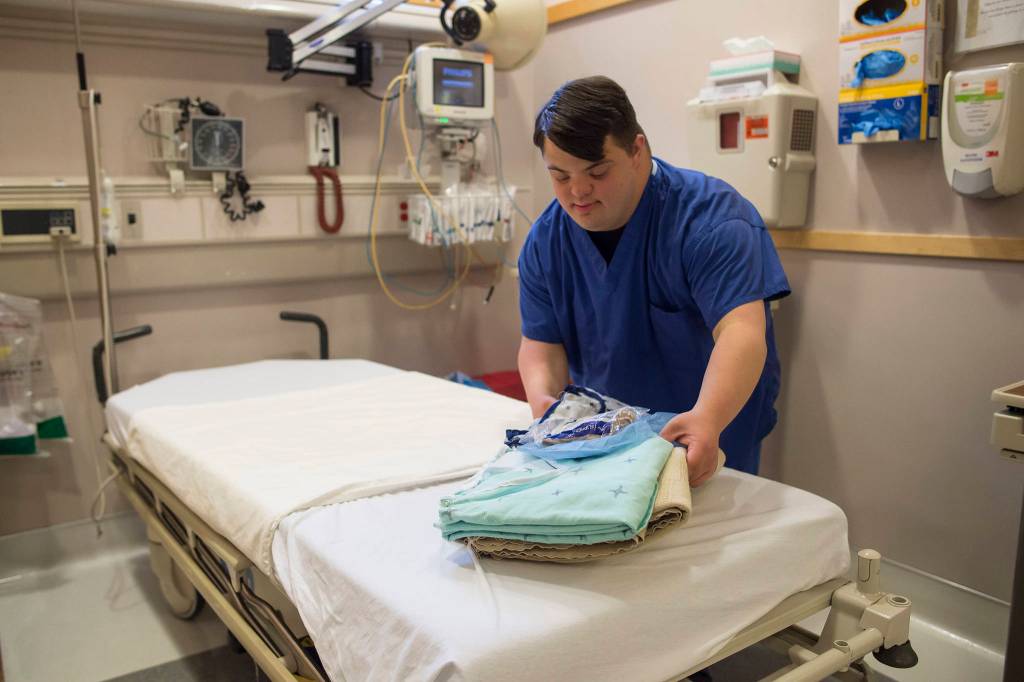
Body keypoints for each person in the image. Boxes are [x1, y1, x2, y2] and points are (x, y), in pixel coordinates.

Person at [517, 76, 790, 485]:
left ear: (636, 150)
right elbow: (540, 347)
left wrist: (707, 418)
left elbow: (741, 331)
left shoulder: (711, 220)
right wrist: (545, 407)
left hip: (714, 431)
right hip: (608, 440)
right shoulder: (546, 240)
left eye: (596, 171)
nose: (578, 192)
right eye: (560, 176)